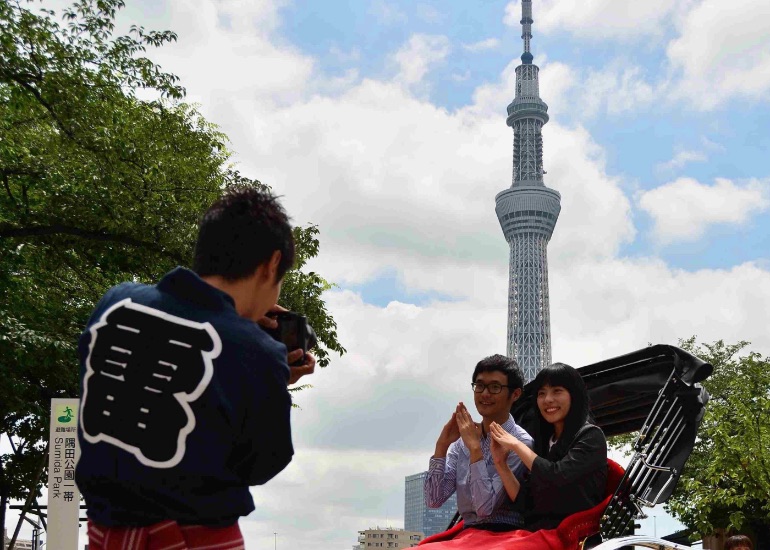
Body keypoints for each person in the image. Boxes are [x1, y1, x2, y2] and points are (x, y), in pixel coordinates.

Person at [76, 186, 316, 549]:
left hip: (105, 535)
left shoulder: (116, 302)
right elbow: (262, 463)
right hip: (194, 537)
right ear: (272, 264)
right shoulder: (257, 353)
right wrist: (268, 375)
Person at [490, 362, 607, 530]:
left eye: (557, 391)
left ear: (574, 395)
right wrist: (501, 463)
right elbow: (525, 503)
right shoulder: (543, 443)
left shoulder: (591, 436)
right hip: (536, 531)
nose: (548, 400)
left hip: (572, 533)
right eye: (541, 393)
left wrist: (516, 445)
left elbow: (556, 477)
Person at [424, 354, 534, 532]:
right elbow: (433, 500)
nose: (485, 394)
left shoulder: (519, 442)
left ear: (515, 394)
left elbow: (485, 509)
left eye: (495, 387)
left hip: (504, 533)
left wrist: (475, 450)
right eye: (480, 386)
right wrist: (442, 446)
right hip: (467, 532)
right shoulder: (463, 442)